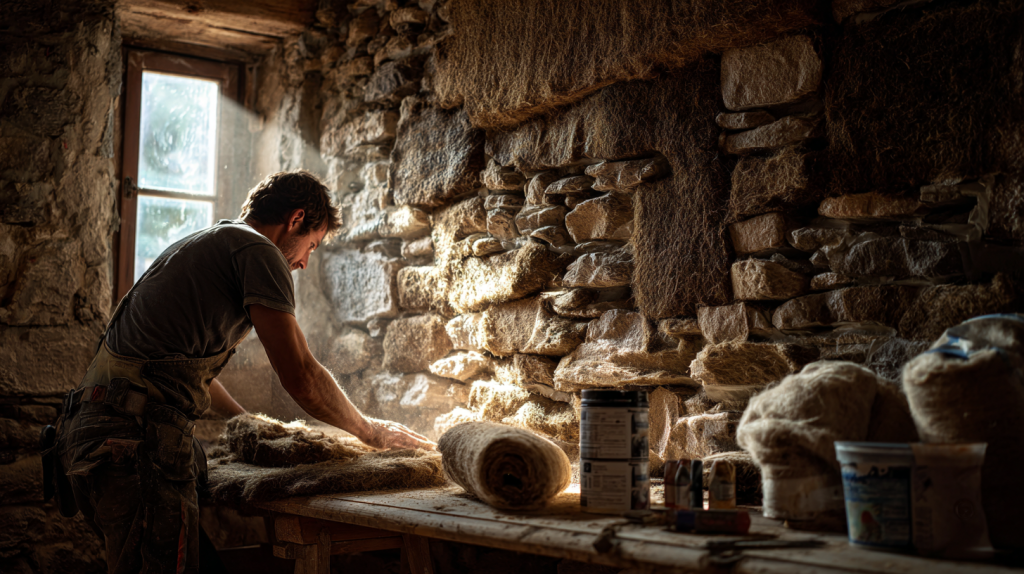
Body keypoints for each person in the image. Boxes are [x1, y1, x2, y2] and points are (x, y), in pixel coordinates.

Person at [46, 170, 433, 574]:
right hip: (131, 443)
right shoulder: (259, 251)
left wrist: (246, 420)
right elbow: (301, 373)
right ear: (296, 219)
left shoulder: (212, 241)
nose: (303, 262)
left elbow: (182, 375)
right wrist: (372, 433)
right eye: (311, 246)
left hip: (89, 434)